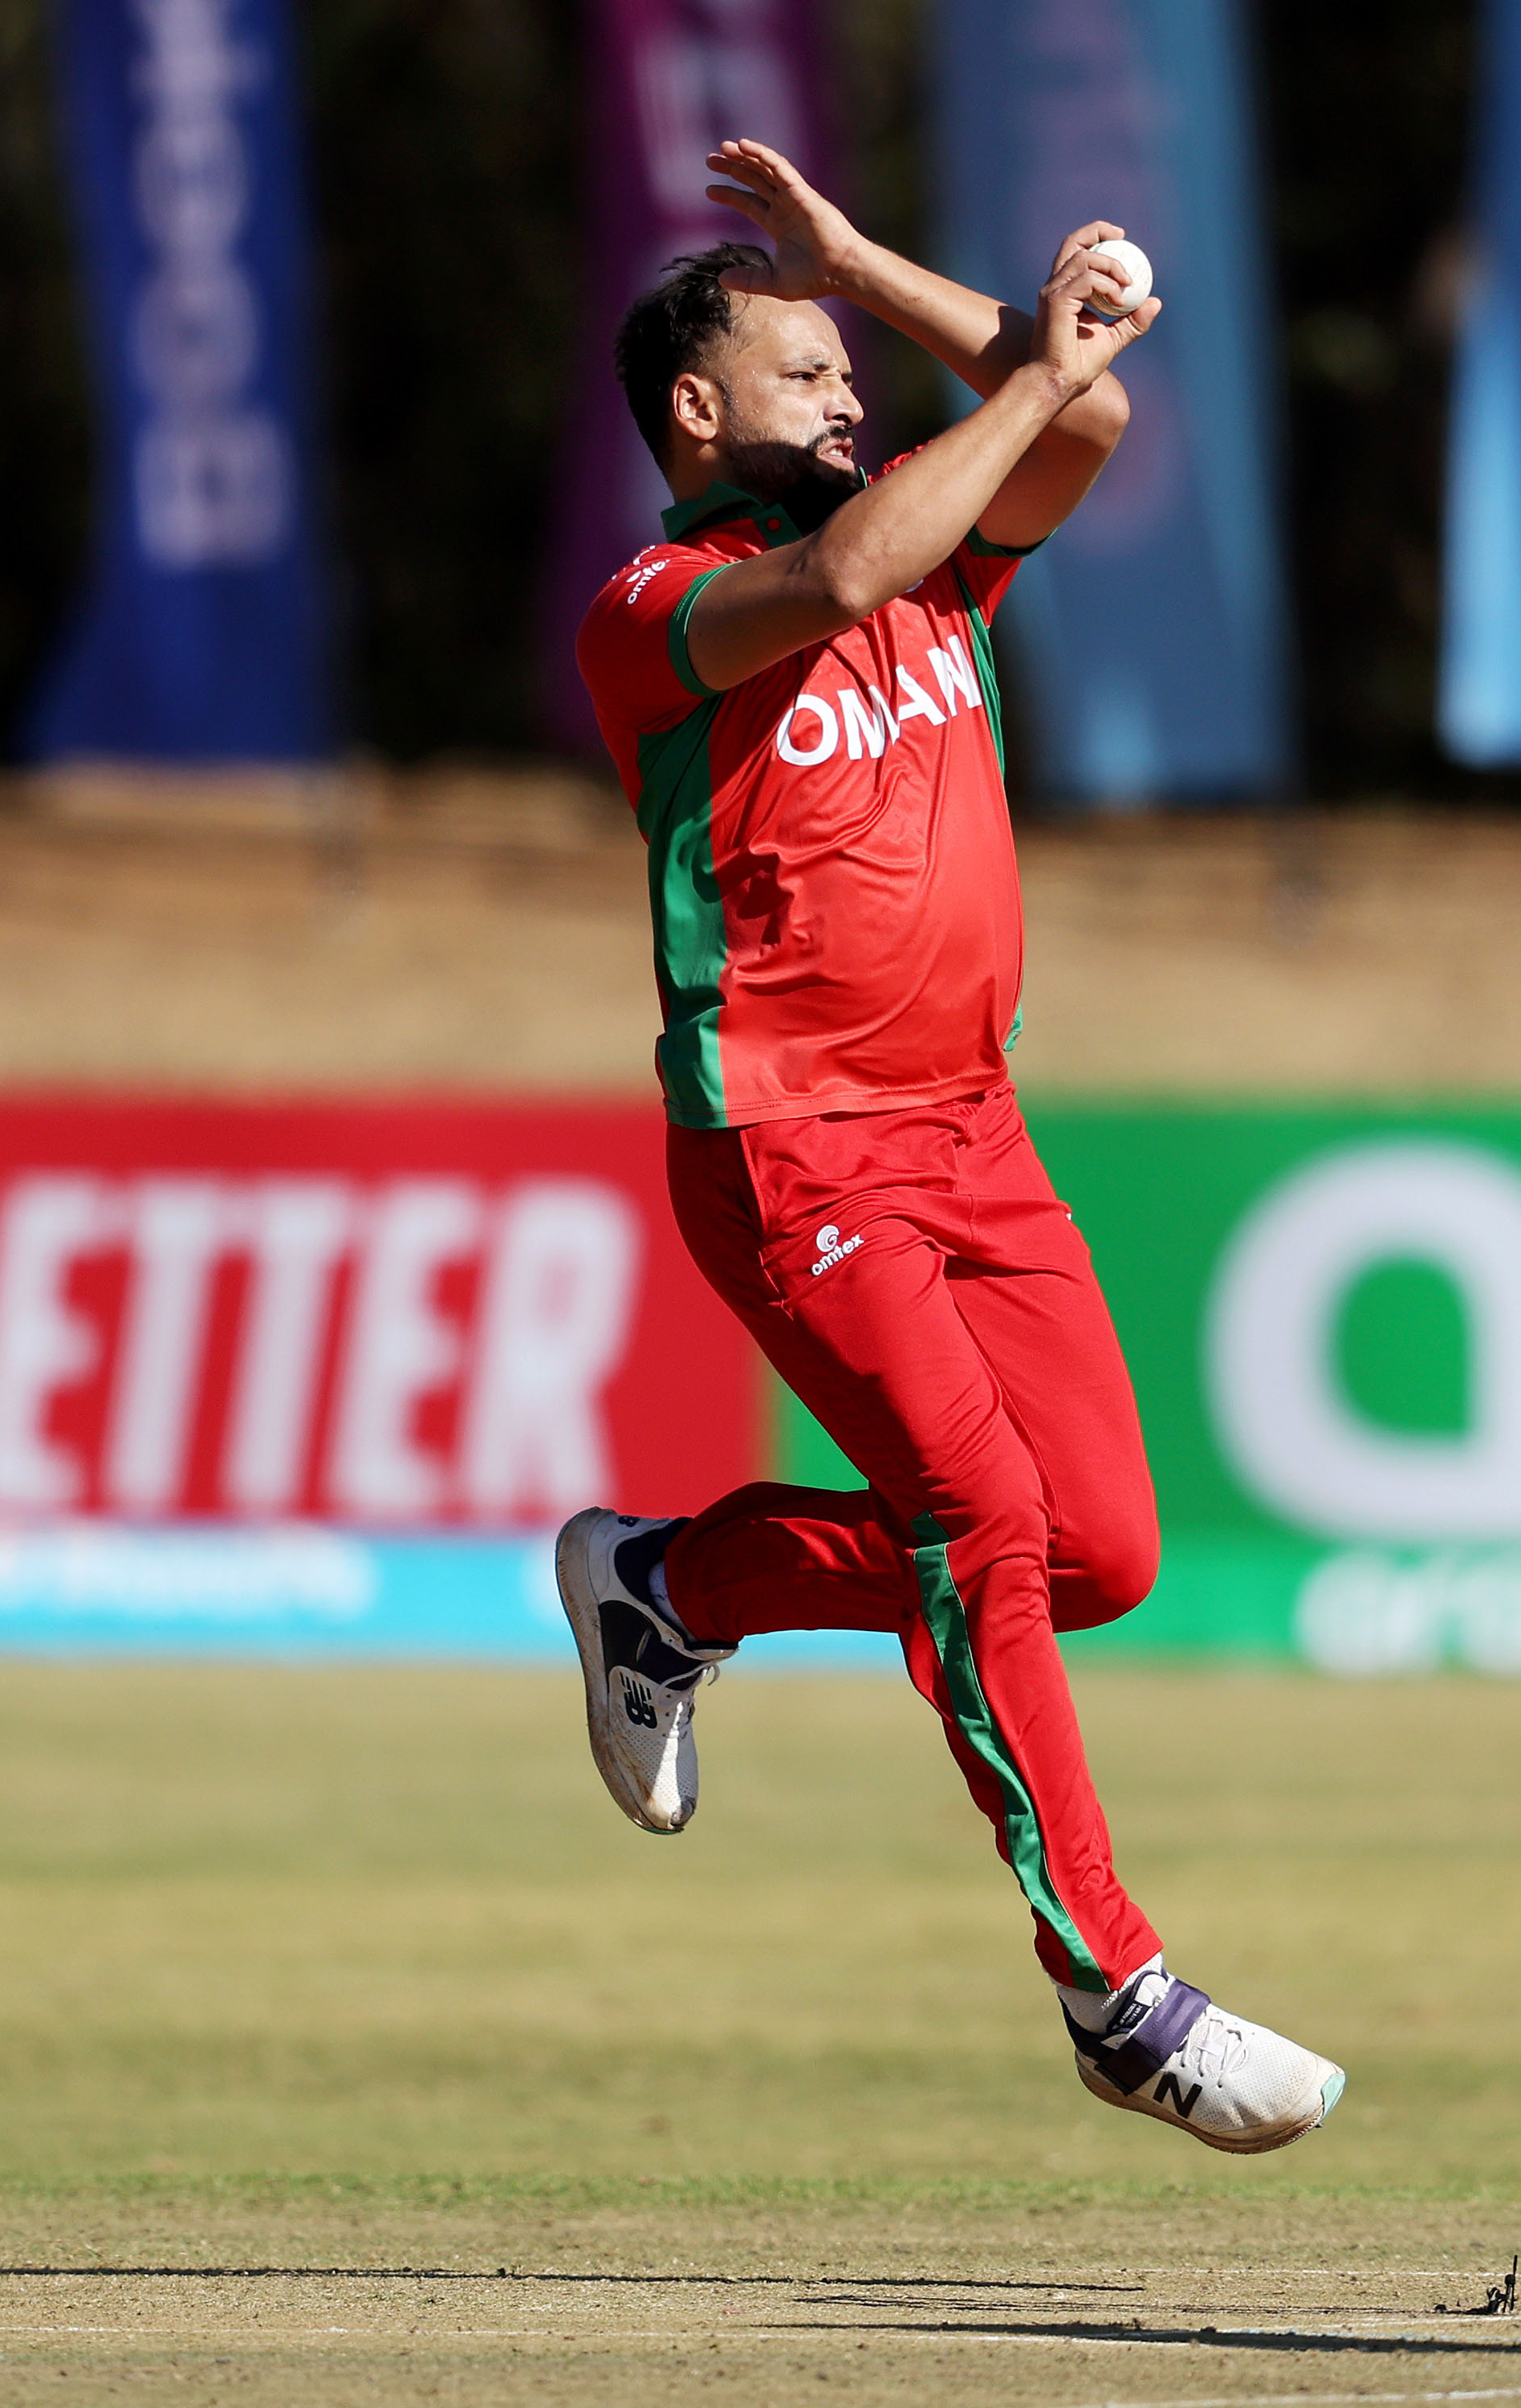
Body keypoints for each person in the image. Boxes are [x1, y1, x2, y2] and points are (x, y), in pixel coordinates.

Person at [555, 139, 1344, 2155]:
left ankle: (672, 1583)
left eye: (851, 369)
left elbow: (1081, 415)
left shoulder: (955, 558)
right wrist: (1013, 375)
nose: (845, 396)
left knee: (1096, 1553)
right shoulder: (659, 607)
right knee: (980, 1531)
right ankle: (1115, 1988)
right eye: (803, 370)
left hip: (975, 1137)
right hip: (792, 1151)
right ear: (694, 414)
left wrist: (852, 263)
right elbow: (836, 574)